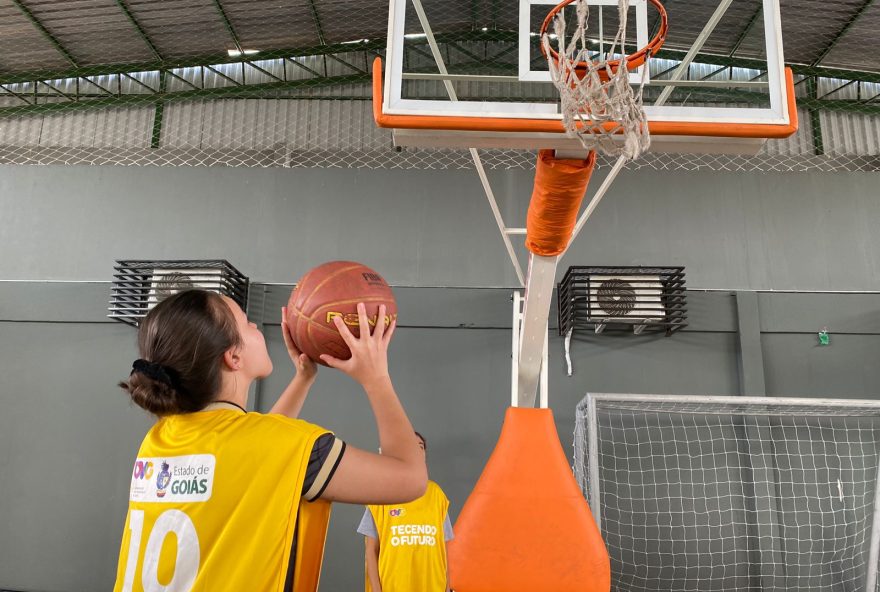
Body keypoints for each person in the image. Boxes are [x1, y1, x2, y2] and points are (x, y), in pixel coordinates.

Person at [113, 290, 426, 592]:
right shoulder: (286, 445)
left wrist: (303, 378)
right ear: (234, 356)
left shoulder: (159, 441)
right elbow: (410, 478)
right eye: (248, 322)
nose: (256, 328)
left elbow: (260, 458)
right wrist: (377, 377)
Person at [358, 432, 454, 592]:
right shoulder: (379, 495)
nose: (417, 450)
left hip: (432, 585)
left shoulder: (437, 494)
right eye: (411, 446)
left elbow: (444, 548)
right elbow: (370, 551)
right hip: (393, 586)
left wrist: (448, 587)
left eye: (421, 447)